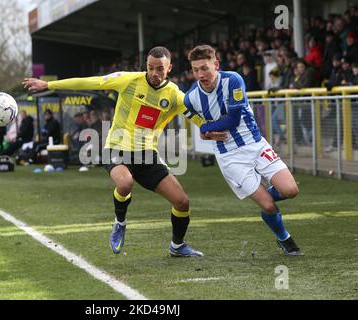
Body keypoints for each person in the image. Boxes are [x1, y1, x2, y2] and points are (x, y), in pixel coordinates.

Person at [23, 46, 228, 257]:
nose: (154, 74)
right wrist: (48, 84)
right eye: (150, 68)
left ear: (169, 68)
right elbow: (91, 81)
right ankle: (120, 222)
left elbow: (194, 116)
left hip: (147, 155)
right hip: (117, 148)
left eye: (160, 69)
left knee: (182, 202)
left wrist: (207, 130)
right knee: (125, 182)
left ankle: (177, 245)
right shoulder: (129, 80)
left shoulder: (174, 95)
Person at [185, 44, 303, 256]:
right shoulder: (190, 98)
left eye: (205, 68)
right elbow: (196, 120)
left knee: (291, 190)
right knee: (268, 207)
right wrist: (204, 130)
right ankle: (284, 239)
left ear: (216, 64)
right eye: (195, 70)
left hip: (255, 145)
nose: (200, 74)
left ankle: (263, 197)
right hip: (230, 157)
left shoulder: (233, 80)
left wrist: (206, 128)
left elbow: (233, 118)